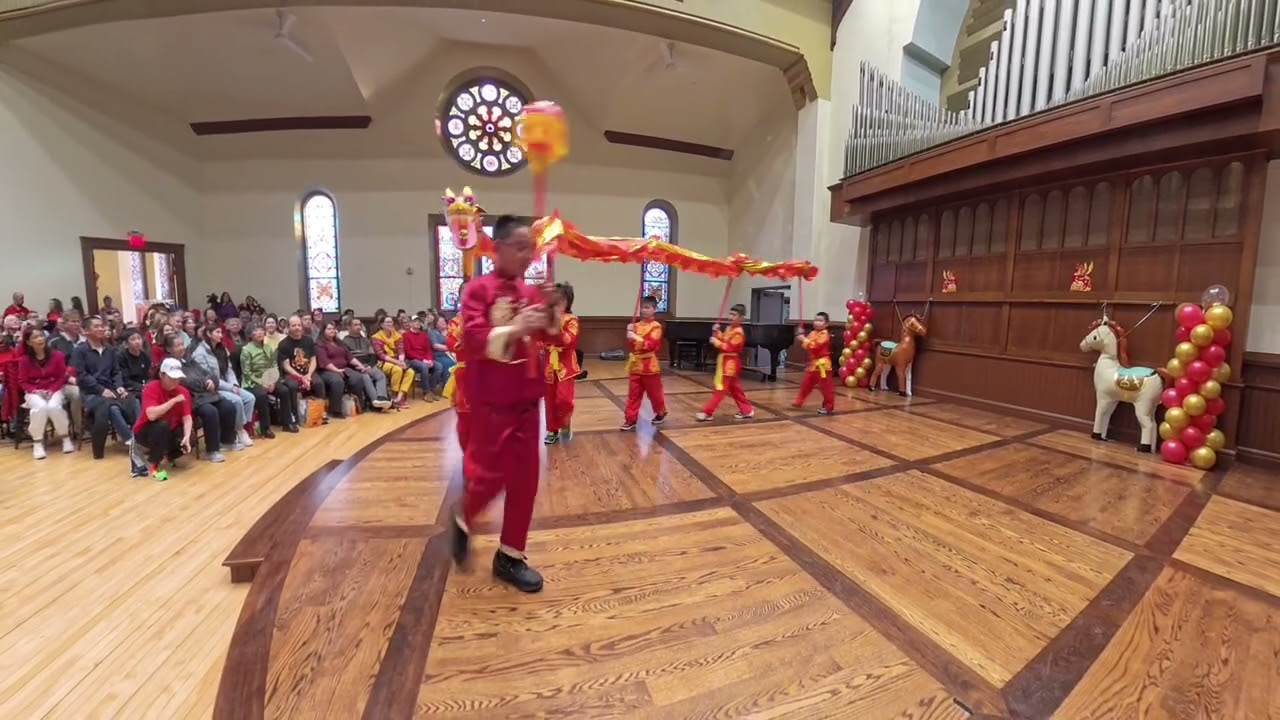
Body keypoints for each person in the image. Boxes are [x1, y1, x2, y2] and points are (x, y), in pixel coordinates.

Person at [450, 216, 559, 593]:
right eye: (520, 247)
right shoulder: (477, 290)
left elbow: (551, 336)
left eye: (532, 248)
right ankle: (463, 515)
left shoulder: (530, 292)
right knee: (491, 476)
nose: (529, 255)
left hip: (528, 402)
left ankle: (510, 556)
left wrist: (550, 307)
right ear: (498, 248)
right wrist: (515, 329)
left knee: (526, 481)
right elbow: (474, 339)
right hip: (493, 403)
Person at [165, 333, 239, 461]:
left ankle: (227, 440)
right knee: (210, 412)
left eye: (182, 344)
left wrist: (211, 380)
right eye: (177, 346)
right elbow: (185, 382)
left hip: (207, 394)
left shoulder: (189, 360)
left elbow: (209, 374)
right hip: (192, 398)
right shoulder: (169, 365)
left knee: (229, 407)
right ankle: (212, 450)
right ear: (169, 349)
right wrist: (205, 382)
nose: (182, 348)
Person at [71, 316, 137, 457]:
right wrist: (101, 390)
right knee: (111, 408)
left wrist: (119, 386)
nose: (101, 329)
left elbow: (116, 371)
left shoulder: (110, 350)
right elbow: (82, 376)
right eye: (96, 326)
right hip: (91, 393)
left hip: (111, 390)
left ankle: (140, 435)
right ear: (86, 331)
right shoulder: (80, 351)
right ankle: (130, 441)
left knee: (134, 400)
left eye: (102, 326)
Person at [191, 325, 256, 446]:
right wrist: (230, 388)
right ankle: (239, 430)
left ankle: (242, 427)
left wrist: (234, 384)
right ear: (209, 334)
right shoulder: (199, 353)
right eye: (217, 332)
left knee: (250, 398)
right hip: (214, 389)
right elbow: (210, 378)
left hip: (228, 384)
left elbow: (229, 370)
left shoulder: (222, 348)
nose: (221, 335)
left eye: (221, 332)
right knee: (237, 400)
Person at [18, 327, 74, 459]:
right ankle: (37, 443)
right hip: (34, 392)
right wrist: (35, 391)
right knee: (40, 407)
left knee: (54, 407)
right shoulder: (25, 360)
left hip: (54, 389)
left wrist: (52, 390)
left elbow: (62, 377)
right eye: (35, 337)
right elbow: (22, 381)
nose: (40, 339)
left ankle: (65, 437)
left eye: (41, 336)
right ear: (29, 342)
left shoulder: (57, 355)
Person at [133, 358, 193, 481]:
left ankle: (167, 455)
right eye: (172, 378)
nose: (175, 382)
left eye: (178, 378)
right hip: (146, 430)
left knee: (190, 439)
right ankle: (154, 464)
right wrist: (173, 401)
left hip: (169, 430)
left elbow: (187, 417)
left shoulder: (183, 392)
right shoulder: (151, 388)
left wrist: (187, 436)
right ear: (161, 375)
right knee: (162, 425)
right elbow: (151, 415)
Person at [696, 303, 755, 422]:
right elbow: (723, 339)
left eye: (734, 315)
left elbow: (729, 347)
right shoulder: (729, 329)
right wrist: (717, 331)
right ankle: (747, 410)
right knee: (735, 389)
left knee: (720, 388)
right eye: (730, 314)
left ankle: (707, 412)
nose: (730, 317)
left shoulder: (738, 333)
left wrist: (716, 342)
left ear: (741, 318)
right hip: (725, 361)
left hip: (730, 363)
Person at [317, 321, 390, 413]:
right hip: (333, 369)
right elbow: (324, 361)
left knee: (377, 376)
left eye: (333, 329)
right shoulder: (323, 343)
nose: (332, 331)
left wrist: (363, 366)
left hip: (361, 365)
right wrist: (337, 370)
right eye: (329, 329)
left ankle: (381, 398)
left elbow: (350, 357)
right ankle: (374, 402)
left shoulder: (340, 342)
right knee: (362, 377)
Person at [620, 296, 667, 431]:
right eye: (642, 307)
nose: (644, 310)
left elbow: (652, 345)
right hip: (636, 365)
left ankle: (660, 412)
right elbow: (632, 346)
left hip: (650, 366)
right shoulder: (636, 325)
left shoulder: (656, 326)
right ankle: (630, 419)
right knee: (633, 395)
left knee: (655, 394)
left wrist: (635, 337)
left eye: (647, 307)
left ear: (654, 309)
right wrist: (630, 333)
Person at [277, 314, 334, 424]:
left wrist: (308, 374)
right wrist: (300, 377)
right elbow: (286, 366)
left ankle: (321, 413)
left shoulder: (308, 340)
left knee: (319, 383)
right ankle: (294, 415)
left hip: (308, 372)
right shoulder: (283, 344)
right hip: (292, 374)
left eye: (299, 325)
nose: (297, 328)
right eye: (294, 325)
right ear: (288, 327)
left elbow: (313, 359)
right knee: (292, 386)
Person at [543, 282, 579, 445]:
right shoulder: (546, 320)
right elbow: (541, 340)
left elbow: (569, 340)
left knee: (564, 399)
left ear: (567, 301)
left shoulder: (572, 320)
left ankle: (564, 421)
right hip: (549, 365)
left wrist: (557, 323)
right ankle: (552, 429)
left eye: (561, 300)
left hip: (566, 365)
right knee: (550, 400)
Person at [240, 323, 291, 435]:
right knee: (262, 395)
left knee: (284, 390)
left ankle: (287, 423)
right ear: (250, 334)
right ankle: (265, 428)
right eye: (256, 330)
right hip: (252, 381)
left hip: (269, 379)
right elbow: (247, 372)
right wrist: (262, 383)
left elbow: (274, 366)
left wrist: (273, 381)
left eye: (261, 330)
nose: (259, 333)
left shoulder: (268, 348)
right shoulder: (246, 350)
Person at [792, 312, 836, 414]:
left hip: (823, 365)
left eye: (820, 321)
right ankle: (799, 401)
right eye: (816, 320)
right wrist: (801, 336)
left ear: (826, 324)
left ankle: (828, 407)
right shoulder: (813, 333)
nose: (817, 322)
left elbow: (815, 346)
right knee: (806, 384)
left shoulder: (824, 334)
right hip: (813, 364)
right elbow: (806, 345)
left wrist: (803, 339)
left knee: (826, 388)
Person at [444, 287, 470, 451]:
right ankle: (468, 452)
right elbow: (451, 343)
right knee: (465, 413)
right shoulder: (455, 322)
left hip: (487, 372)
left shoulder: (487, 318)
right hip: (465, 372)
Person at [372, 315, 415, 409]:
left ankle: (399, 398)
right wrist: (397, 362)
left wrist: (401, 361)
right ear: (382, 325)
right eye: (387, 322)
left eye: (391, 322)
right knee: (397, 370)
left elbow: (401, 350)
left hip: (397, 360)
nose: (390, 324)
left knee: (410, 372)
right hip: (383, 362)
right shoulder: (376, 337)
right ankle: (394, 395)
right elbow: (381, 355)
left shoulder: (397, 336)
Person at [401, 316, 437, 401]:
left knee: (439, 366)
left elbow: (428, 350)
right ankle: (426, 392)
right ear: (410, 324)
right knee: (424, 366)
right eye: (415, 321)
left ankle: (431, 391)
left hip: (425, 359)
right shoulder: (406, 335)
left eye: (419, 321)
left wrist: (430, 360)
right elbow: (408, 352)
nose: (417, 323)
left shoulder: (424, 335)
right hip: (411, 360)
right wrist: (423, 360)